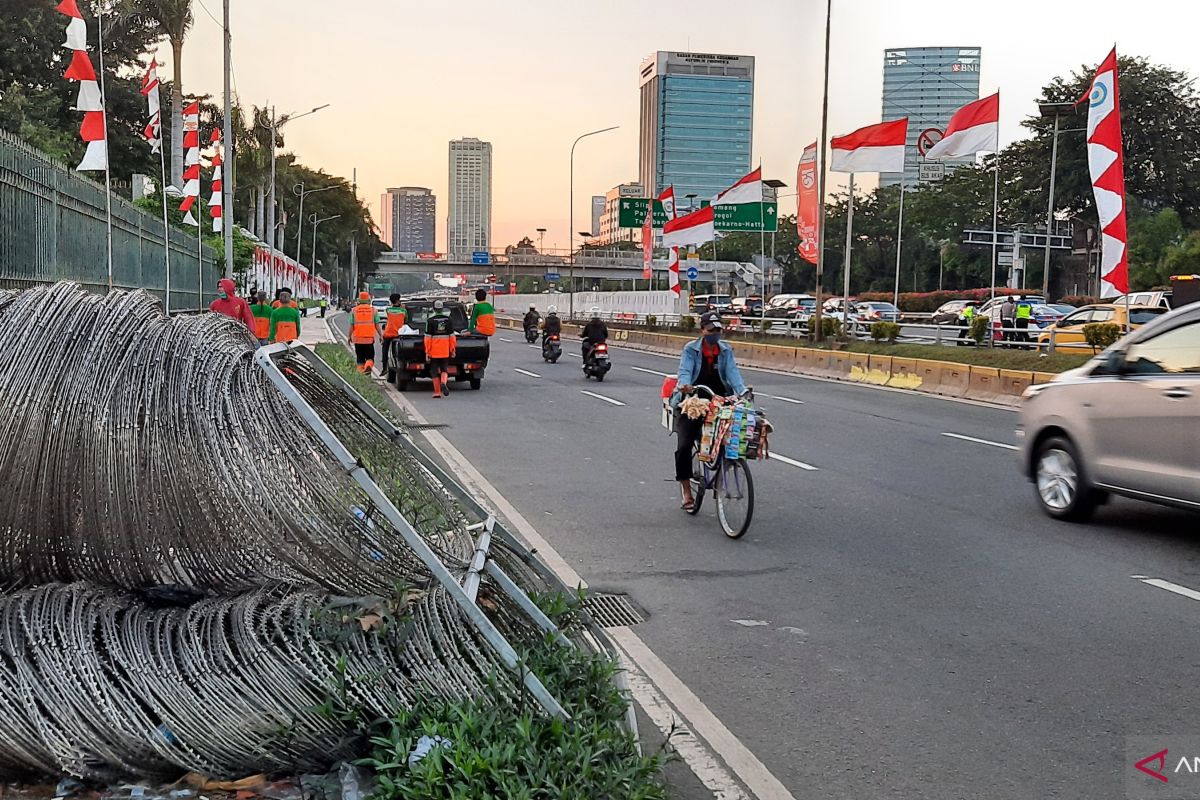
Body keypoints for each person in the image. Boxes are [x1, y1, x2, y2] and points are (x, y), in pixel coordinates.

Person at [672, 311, 748, 511]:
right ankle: (686, 490)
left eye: (718, 330)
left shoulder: (725, 350)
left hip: (719, 401)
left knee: (732, 437)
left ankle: (722, 466)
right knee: (684, 446)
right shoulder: (691, 350)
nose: (715, 334)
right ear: (702, 331)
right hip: (694, 402)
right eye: (711, 330)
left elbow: (733, 373)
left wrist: (742, 391)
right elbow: (685, 371)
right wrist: (685, 385)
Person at [424, 299, 457, 398]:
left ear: (434, 308)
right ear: (442, 308)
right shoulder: (448, 320)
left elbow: (427, 338)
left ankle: (437, 392)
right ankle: (443, 382)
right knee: (444, 369)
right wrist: (452, 349)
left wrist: (427, 352)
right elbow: (452, 336)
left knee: (434, 371)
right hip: (445, 350)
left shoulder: (430, 320)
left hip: (434, 351)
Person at [377, 293, 407, 378]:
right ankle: (396, 366)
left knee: (385, 350)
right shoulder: (403, 311)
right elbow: (406, 319)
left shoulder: (388, 310)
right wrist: (402, 308)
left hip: (388, 333)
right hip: (398, 334)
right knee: (396, 352)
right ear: (398, 301)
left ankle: (384, 368)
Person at [347, 291, 377, 373]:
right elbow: (377, 325)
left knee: (360, 359)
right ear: (368, 300)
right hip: (369, 340)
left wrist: (349, 337)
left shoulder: (354, 310)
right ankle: (368, 367)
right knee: (370, 358)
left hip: (358, 340)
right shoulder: (373, 311)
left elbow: (351, 326)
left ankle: (361, 374)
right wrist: (381, 336)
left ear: (359, 300)